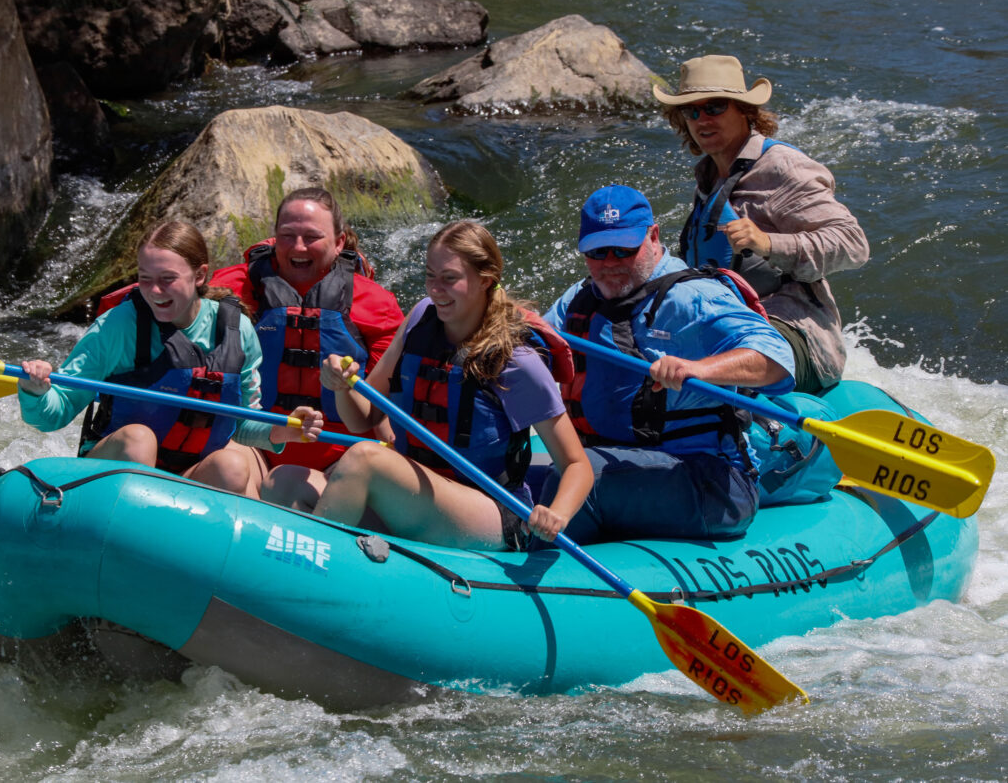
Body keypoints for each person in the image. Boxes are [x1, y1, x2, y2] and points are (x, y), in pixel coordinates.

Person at [306, 220, 594, 551]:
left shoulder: (516, 360)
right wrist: (343, 387)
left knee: (364, 459)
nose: (434, 289)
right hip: (418, 492)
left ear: (484, 281)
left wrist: (558, 513)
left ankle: (318, 561)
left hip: (489, 510)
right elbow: (362, 418)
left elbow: (576, 464)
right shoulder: (420, 319)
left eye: (449, 279)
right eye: (430, 276)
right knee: (283, 483)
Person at [541, 185, 795, 545]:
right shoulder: (581, 298)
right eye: (597, 251)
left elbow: (778, 359)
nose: (610, 262)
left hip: (709, 482)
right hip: (619, 462)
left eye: (623, 249)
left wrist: (701, 369)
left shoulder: (693, 298)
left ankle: (531, 576)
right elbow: (535, 350)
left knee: (578, 481)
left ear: (653, 235)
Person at [17, 220, 323, 498]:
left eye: (167, 278)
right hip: (113, 468)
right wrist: (36, 389)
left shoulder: (236, 330)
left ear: (200, 275)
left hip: (188, 471)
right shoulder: (119, 326)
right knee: (139, 440)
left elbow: (241, 423)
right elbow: (52, 416)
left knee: (231, 464)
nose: (154, 291)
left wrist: (282, 430)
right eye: (145, 278)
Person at [654, 54, 869, 393]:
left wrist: (769, 244)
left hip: (792, 335)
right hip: (725, 326)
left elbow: (852, 244)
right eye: (691, 111)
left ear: (744, 110)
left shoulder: (782, 168)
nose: (701, 119)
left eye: (715, 107)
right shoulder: (710, 177)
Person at [208, 187, 405, 495]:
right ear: (274, 238)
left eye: (312, 237)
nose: (298, 247)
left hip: (340, 456)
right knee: (224, 467)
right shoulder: (230, 288)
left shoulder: (377, 304)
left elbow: (386, 403)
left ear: (339, 242)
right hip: (256, 443)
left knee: (286, 488)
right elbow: (168, 297)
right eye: (287, 236)